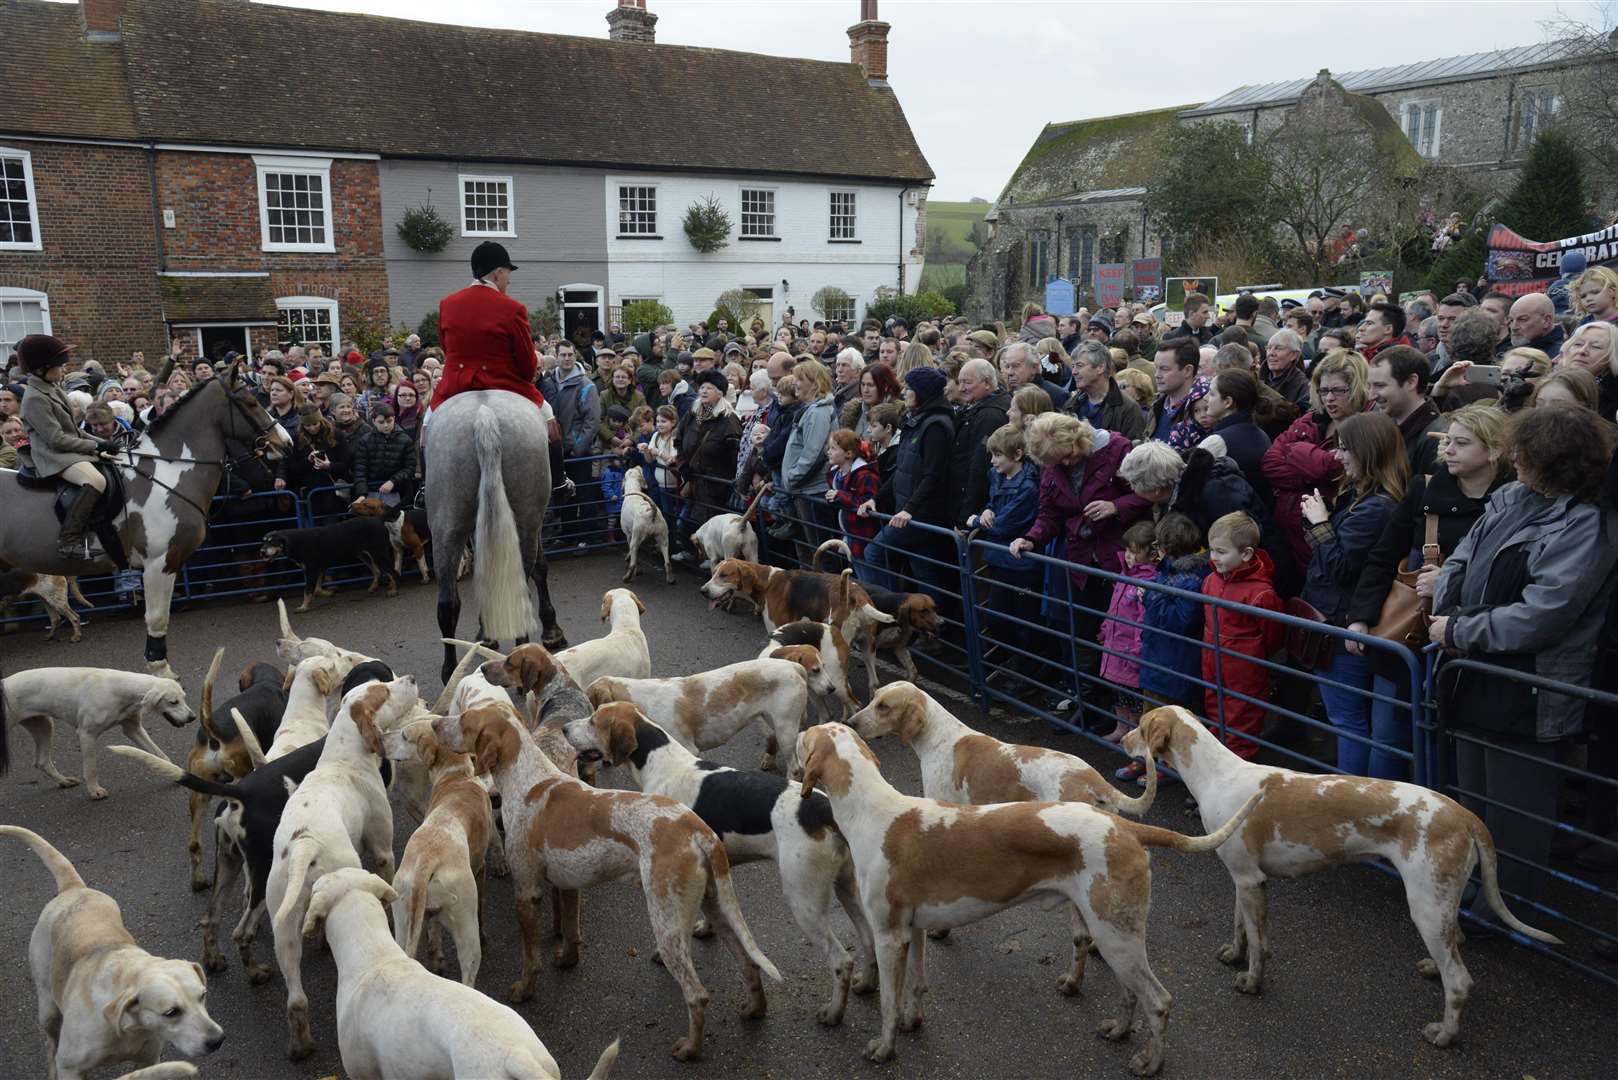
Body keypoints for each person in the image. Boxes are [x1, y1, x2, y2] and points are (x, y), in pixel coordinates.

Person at [1433, 405, 1618, 916]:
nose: (1515, 457)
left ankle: (1507, 910)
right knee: (1472, 802)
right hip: (1473, 669)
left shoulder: (1587, 524)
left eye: (1527, 452)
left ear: (1557, 462)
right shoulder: (1510, 497)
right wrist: (1450, 617)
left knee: (1516, 814)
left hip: (1529, 686)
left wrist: (1459, 628)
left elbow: (1545, 613)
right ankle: (1471, 894)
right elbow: (1459, 562)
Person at [1345, 403, 1511, 779]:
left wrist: (1450, 583)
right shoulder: (1424, 488)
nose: (1447, 449)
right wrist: (1360, 617)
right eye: (1447, 441)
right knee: (1389, 737)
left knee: (1452, 751)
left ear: (1494, 450)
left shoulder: (1512, 502)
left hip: (1470, 643)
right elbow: (1383, 555)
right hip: (1408, 637)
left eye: (1461, 443)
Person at [1008, 413, 1150, 699]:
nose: (1067, 463)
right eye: (1058, 461)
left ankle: (1118, 707)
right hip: (1081, 559)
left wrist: (1116, 505)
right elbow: (1050, 513)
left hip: (1122, 556)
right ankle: (1090, 699)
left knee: (1122, 634)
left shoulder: (1116, 449)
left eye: (1069, 455)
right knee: (1084, 630)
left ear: (1078, 438)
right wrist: (1031, 538)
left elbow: (1149, 493)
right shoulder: (1053, 466)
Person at [1299, 411, 1410, 776]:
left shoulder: (1376, 507)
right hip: (1341, 620)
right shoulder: (1364, 497)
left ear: (1370, 451)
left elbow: (1341, 568)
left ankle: (1352, 804)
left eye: (1346, 448)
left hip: (1342, 624)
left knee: (1347, 720)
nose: (1338, 456)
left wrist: (1320, 522)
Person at [1263, 349, 1369, 577]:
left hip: (1326, 536)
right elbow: (1270, 463)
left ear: (1357, 387)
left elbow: (1335, 469)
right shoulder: (1310, 419)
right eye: (1323, 391)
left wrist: (1296, 455)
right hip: (1289, 534)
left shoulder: (1367, 427)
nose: (1329, 398)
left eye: (1338, 390)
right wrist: (1313, 471)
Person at [14, 336, 119, 558]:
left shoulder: (54, 388)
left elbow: (75, 430)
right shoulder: (34, 398)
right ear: (42, 368)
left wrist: (104, 444)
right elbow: (56, 439)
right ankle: (69, 540)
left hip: (68, 451)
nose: (64, 368)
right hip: (52, 456)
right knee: (96, 480)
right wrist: (94, 446)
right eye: (59, 365)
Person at [860, 366, 958, 599]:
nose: (904, 391)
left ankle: (890, 608)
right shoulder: (916, 420)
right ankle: (931, 625)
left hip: (920, 514)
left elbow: (933, 474)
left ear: (922, 392)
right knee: (923, 571)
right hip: (909, 510)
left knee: (873, 552)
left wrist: (909, 510)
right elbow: (903, 470)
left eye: (910, 388)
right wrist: (876, 498)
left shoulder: (936, 425)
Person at [1199, 511, 1285, 761]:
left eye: (1221, 552)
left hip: (1244, 668)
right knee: (1214, 712)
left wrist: (1253, 655)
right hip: (1212, 660)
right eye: (1212, 550)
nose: (1214, 558)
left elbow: (1273, 636)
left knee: (1242, 719)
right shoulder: (1210, 580)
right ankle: (1215, 767)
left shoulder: (1261, 594)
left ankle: (1236, 772)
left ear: (1246, 554)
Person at [428, 240, 546, 416]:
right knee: (549, 418)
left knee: (428, 425)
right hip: (504, 383)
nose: (509, 281)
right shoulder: (513, 308)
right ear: (498, 273)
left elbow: (446, 348)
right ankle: (557, 444)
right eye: (508, 273)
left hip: (455, 385)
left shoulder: (447, 304)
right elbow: (527, 365)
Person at [968, 423, 1044, 693]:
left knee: (1026, 624)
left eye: (998, 455)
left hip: (1022, 566)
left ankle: (1027, 674)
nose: (993, 461)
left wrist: (978, 519)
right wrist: (987, 510)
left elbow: (1006, 524)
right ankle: (1016, 663)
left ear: (1018, 454)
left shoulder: (1028, 488)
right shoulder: (997, 475)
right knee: (997, 618)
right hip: (1000, 561)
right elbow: (995, 507)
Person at [1138, 512, 1212, 723]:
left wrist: (1150, 596)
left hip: (1170, 666)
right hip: (1164, 661)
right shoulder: (1174, 571)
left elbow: (1180, 620)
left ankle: (1153, 756)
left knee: (1160, 721)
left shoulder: (1189, 579)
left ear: (1164, 546)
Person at [1099, 520, 1159, 744]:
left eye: (1134, 552)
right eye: (1127, 550)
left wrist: (1137, 651)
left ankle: (1135, 736)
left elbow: (1142, 621)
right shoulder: (1125, 576)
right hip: (1114, 645)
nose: (1128, 556)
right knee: (1119, 693)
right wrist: (1105, 628)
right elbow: (1114, 607)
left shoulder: (1148, 582)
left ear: (1152, 554)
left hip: (1130, 652)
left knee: (1134, 699)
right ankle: (1121, 727)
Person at [671, 369, 741, 556]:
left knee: (711, 524)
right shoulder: (692, 414)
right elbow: (678, 440)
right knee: (686, 521)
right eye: (701, 387)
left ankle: (713, 559)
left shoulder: (729, 420)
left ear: (720, 393)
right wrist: (683, 464)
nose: (703, 391)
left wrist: (724, 478)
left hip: (716, 485)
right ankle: (692, 553)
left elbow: (735, 455)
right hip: (693, 480)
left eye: (709, 388)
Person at [781, 360, 839, 551]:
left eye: (799, 379)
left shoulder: (818, 412)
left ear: (814, 384)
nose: (794, 383)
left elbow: (812, 454)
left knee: (821, 551)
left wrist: (792, 478)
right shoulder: (812, 409)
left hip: (813, 490)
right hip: (806, 489)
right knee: (811, 548)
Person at [949, 358, 1010, 533]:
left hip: (974, 511)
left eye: (967, 382)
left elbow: (979, 466)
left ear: (987, 383)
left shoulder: (989, 416)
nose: (961, 389)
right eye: (959, 382)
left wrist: (965, 518)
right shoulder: (979, 408)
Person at [1367, 345, 1444, 476]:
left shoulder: (1434, 438)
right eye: (1369, 386)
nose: (1371, 395)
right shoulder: (1380, 423)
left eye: (1380, 385)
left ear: (1411, 382)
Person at [824, 428, 881, 578]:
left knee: (868, 576)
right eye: (829, 448)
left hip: (863, 534)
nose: (828, 452)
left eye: (833, 449)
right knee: (857, 571)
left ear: (848, 454)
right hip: (849, 534)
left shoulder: (865, 475)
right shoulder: (836, 474)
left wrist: (840, 497)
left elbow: (868, 502)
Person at [1066, 340, 1146, 440]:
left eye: (1079, 365)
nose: (1074, 372)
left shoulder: (1128, 409)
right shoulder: (1072, 404)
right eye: (1073, 366)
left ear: (1100, 367)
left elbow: (1133, 451)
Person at [351, 403, 416, 505]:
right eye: (381, 422)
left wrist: (393, 481)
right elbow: (360, 470)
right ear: (373, 421)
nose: (386, 425)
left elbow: (410, 468)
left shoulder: (405, 440)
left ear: (394, 418)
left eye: (389, 421)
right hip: (370, 491)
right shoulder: (365, 440)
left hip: (395, 491)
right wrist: (362, 494)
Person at [1148, 337, 1206, 446]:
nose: (1157, 375)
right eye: (1156, 368)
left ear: (1187, 370)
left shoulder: (1204, 410)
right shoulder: (1157, 405)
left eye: (1164, 369)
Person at [1558, 320, 1618, 418]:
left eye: (1596, 347)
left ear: (1612, 356)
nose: (1582, 351)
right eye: (1578, 344)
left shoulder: (1613, 398)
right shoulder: (1550, 383)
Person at [840, 363, 902, 439]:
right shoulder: (854, 412)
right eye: (863, 384)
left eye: (871, 385)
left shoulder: (898, 414)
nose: (865, 390)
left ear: (885, 386)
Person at [1261, 329, 1311, 412]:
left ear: (1294, 355)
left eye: (1279, 348)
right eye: (1269, 348)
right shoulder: (1257, 378)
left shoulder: (1302, 386)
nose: (1271, 353)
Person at [1507, 292, 1564, 359]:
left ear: (1546, 321)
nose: (1513, 327)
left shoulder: (1561, 355)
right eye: (1511, 320)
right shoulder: (1508, 352)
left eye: (1522, 319)